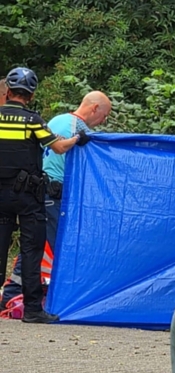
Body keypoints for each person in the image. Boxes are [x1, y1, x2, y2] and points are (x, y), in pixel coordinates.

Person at [0, 91, 111, 306]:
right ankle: (62, 297)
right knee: (61, 247)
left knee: (35, 245)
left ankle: (13, 292)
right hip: (55, 194)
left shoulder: (57, 120)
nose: (103, 121)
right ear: (95, 108)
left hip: (41, 192)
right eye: (104, 115)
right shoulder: (79, 129)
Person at [0, 67, 89, 324]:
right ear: (31, 95)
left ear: (8, 92)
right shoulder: (33, 121)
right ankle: (32, 310)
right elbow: (59, 147)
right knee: (31, 250)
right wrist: (77, 139)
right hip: (28, 197)